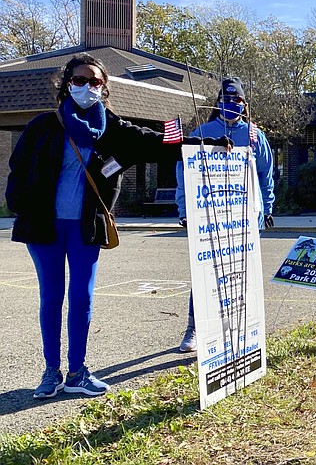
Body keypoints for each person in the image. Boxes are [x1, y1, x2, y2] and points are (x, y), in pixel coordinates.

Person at [4, 53, 230, 399]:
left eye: (95, 81)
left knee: (82, 297)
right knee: (52, 297)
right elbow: (16, 169)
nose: (87, 87)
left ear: (104, 88)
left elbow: (159, 143)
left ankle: (77, 371)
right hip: (44, 228)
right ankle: (51, 372)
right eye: (80, 80)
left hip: (86, 228)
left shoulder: (112, 129)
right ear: (66, 84)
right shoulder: (44, 126)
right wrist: (21, 207)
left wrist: (208, 143)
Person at [175, 76, 275, 353]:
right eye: (226, 100)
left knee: (243, 275)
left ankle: (242, 328)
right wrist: (184, 209)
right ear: (218, 103)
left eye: (237, 100)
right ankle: (194, 327)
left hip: (245, 217)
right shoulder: (202, 132)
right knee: (205, 273)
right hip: (210, 216)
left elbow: (266, 176)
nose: (232, 104)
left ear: (245, 104)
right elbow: (184, 173)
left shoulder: (255, 136)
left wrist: (267, 208)